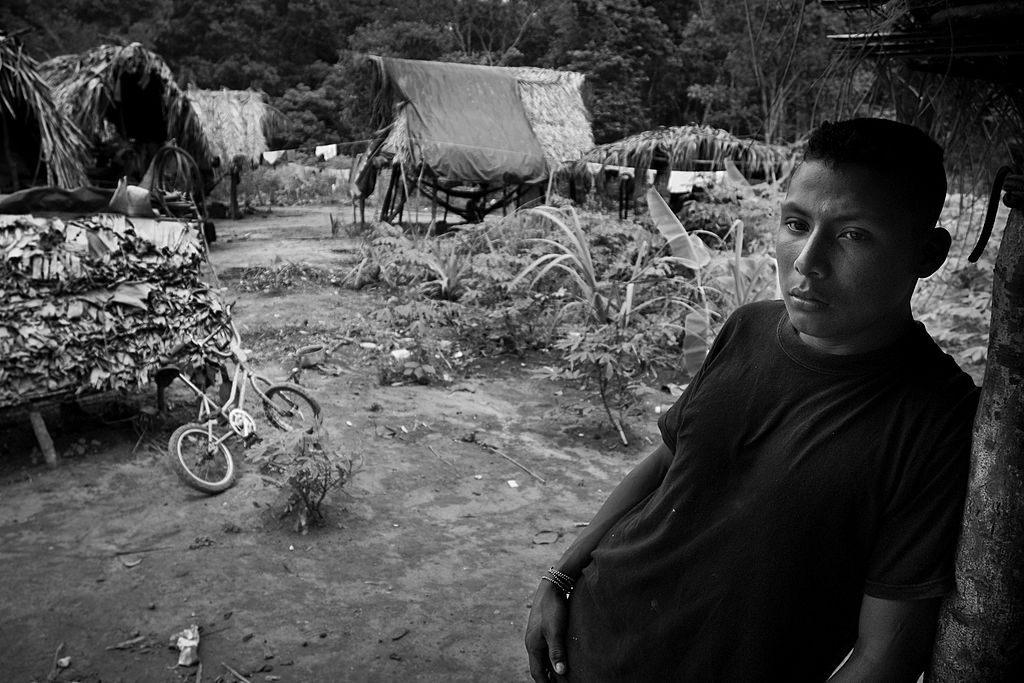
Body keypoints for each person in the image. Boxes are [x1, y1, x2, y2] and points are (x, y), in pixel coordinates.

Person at [524, 118, 981, 682]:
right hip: (589, 639)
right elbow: (668, 464)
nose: (807, 261)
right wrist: (561, 576)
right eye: (797, 224)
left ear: (927, 253)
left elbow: (885, 654)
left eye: (853, 235)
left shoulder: (939, 417)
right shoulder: (747, 328)